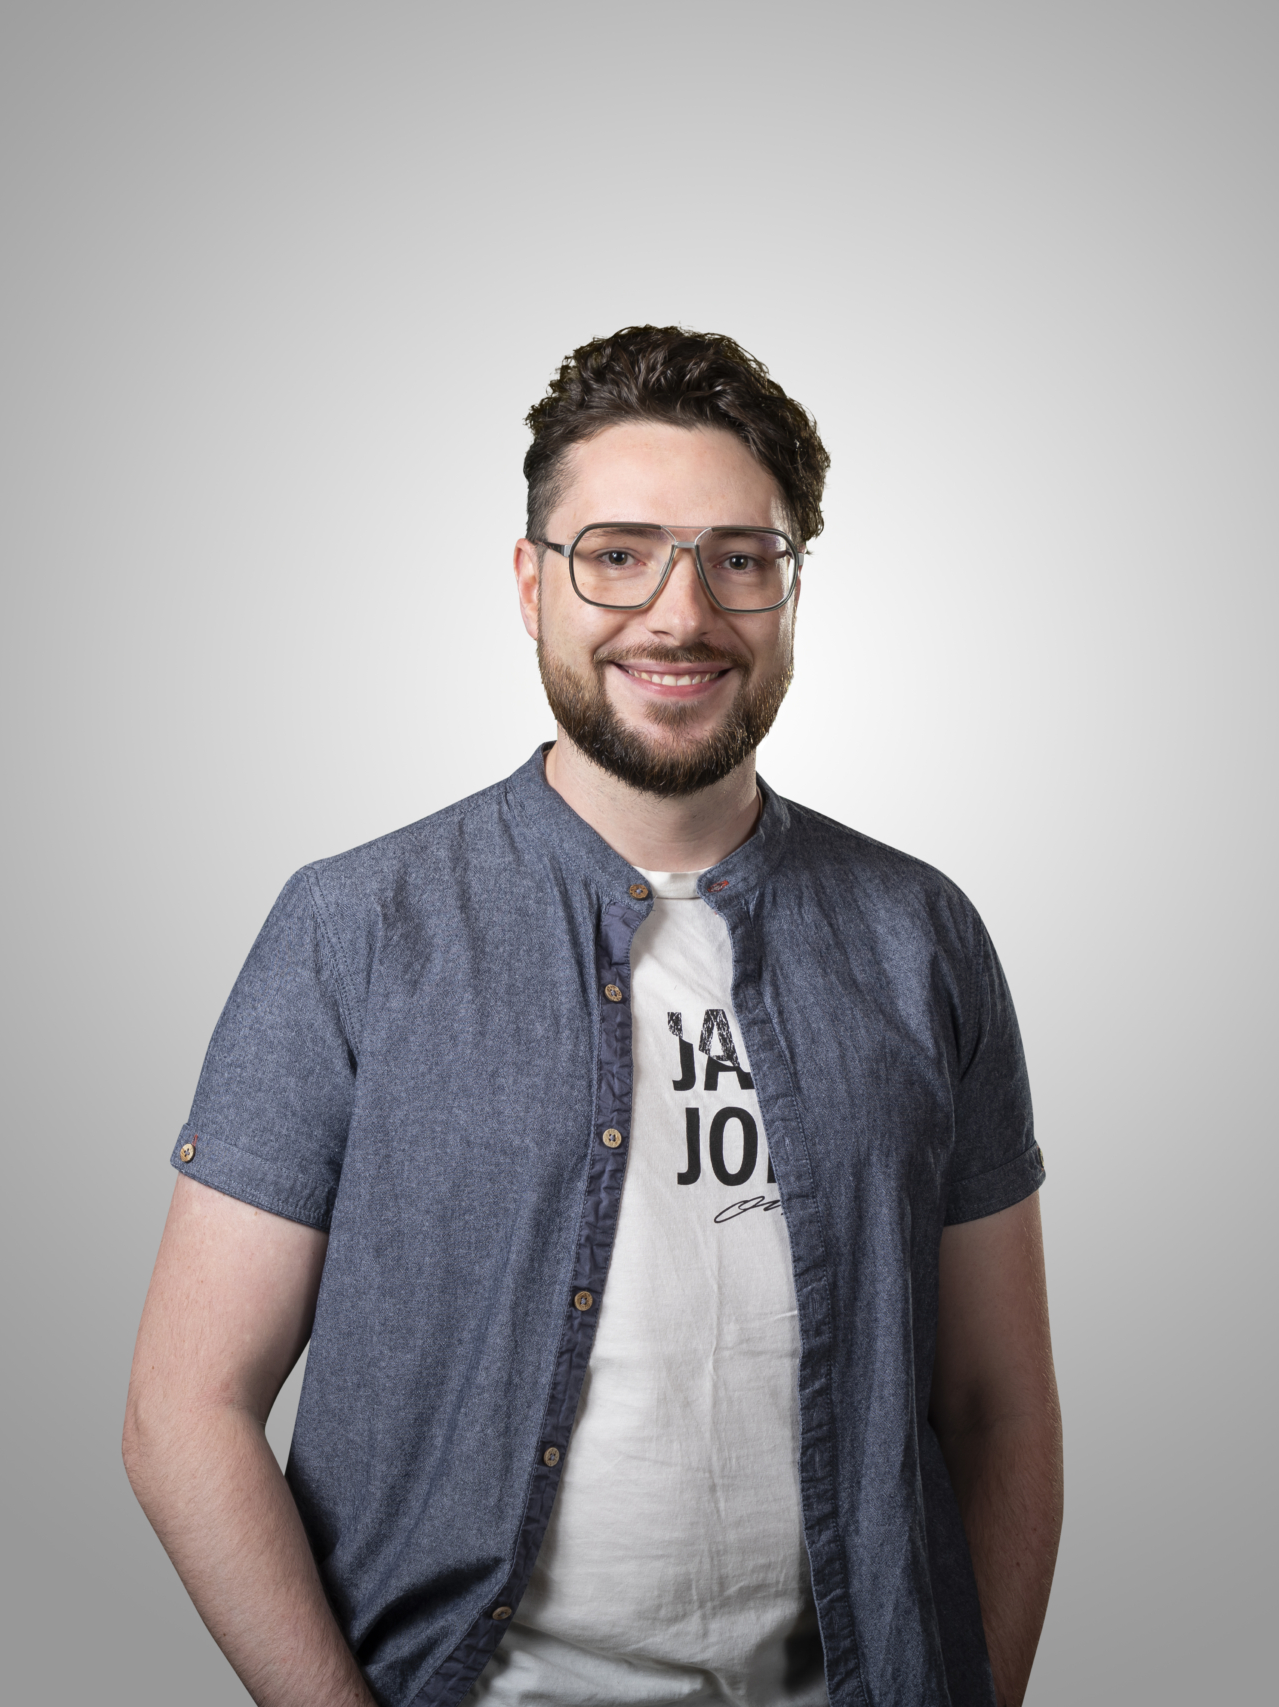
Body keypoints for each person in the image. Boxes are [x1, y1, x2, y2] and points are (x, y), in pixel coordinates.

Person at [122, 326, 1061, 1707]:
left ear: (792, 589)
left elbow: (999, 1414)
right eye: (618, 555)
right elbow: (183, 1410)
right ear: (531, 584)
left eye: (739, 559)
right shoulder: (354, 930)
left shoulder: (922, 937)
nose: (681, 616)